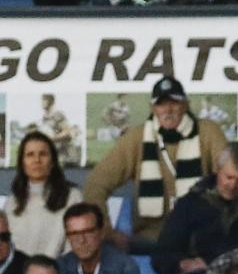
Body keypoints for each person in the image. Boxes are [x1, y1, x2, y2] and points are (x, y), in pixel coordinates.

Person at [83, 75, 227, 252]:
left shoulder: (208, 131)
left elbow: (229, 175)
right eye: (161, 104)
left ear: (185, 105)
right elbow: (95, 184)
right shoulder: (137, 136)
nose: (168, 110)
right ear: (153, 108)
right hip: (151, 239)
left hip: (199, 237)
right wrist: (107, 231)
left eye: (174, 103)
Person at [153, 142, 238, 274]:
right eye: (229, 177)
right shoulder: (190, 203)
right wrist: (181, 264)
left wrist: (209, 262)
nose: (232, 185)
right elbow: (163, 253)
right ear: (217, 169)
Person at [5, 131, 82, 258]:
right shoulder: (12, 202)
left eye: (43, 154)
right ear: (22, 163)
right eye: (30, 155)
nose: (37, 160)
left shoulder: (72, 197)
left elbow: (73, 248)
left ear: (52, 162)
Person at [38, 94, 78, 165]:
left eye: (44, 100)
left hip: (66, 154)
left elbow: (67, 132)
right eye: (42, 100)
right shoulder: (44, 118)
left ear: (51, 102)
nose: (42, 103)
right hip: (55, 153)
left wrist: (51, 138)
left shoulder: (58, 115)